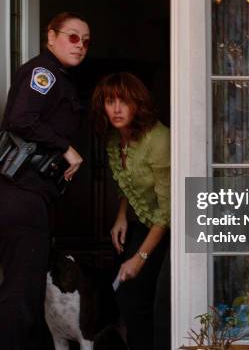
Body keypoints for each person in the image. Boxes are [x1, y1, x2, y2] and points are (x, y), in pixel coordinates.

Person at [0, 12, 90, 350]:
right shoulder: (44, 73)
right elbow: (20, 118)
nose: (80, 45)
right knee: (21, 297)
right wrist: (66, 148)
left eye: (86, 41)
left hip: (28, 195)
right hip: (18, 192)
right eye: (72, 36)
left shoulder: (61, 78)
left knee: (27, 294)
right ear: (50, 37)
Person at [91, 72, 171, 350]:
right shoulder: (115, 139)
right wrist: (121, 215)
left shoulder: (159, 140)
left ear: (138, 104)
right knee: (127, 296)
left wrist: (140, 257)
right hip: (142, 221)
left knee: (156, 300)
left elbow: (166, 212)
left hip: (170, 227)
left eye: (124, 102)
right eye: (109, 101)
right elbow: (126, 183)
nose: (116, 108)